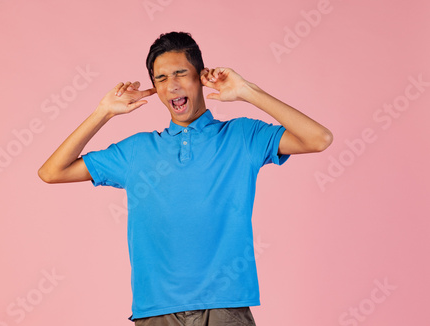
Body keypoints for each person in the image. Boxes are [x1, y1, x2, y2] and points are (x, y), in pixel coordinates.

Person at [38, 31, 333, 326]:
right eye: (161, 78)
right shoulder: (137, 150)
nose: (173, 85)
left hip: (225, 308)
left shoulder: (242, 136)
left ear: (200, 77)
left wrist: (247, 91)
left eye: (181, 74)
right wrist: (102, 113)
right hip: (156, 312)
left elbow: (318, 139)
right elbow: (52, 172)